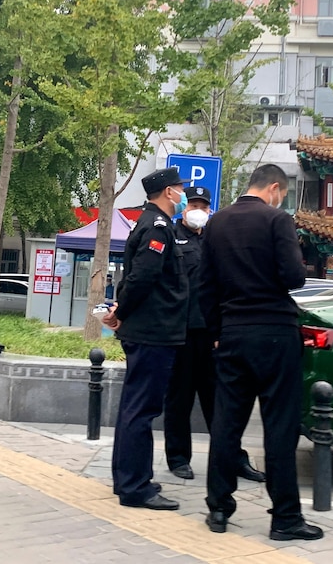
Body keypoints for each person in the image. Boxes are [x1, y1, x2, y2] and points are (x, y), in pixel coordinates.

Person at [200, 165, 322, 541]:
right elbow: (293, 278)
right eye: (281, 194)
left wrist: (218, 333)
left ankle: (219, 508)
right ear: (273, 188)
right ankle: (285, 519)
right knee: (279, 428)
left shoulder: (215, 223)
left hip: (232, 334)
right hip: (275, 334)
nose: (279, 200)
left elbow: (204, 287)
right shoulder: (277, 220)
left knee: (226, 425)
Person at [163, 187, 266, 483]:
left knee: (221, 402)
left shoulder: (217, 239)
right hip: (180, 333)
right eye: (193, 204)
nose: (198, 209)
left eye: (203, 206)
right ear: (184, 207)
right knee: (179, 400)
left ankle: (233, 458)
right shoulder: (170, 237)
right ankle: (178, 458)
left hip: (213, 335)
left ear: (211, 210)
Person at [101, 168, 188, 511]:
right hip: (153, 332)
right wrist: (122, 311)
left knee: (132, 407)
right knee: (142, 409)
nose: (183, 195)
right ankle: (136, 487)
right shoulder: (158, 227)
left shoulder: (149, 222)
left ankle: (127, 478)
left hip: (148, 329)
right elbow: (143, 277)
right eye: (180, 189)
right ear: (169, 192)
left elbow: (137, 278)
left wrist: (123, 309)